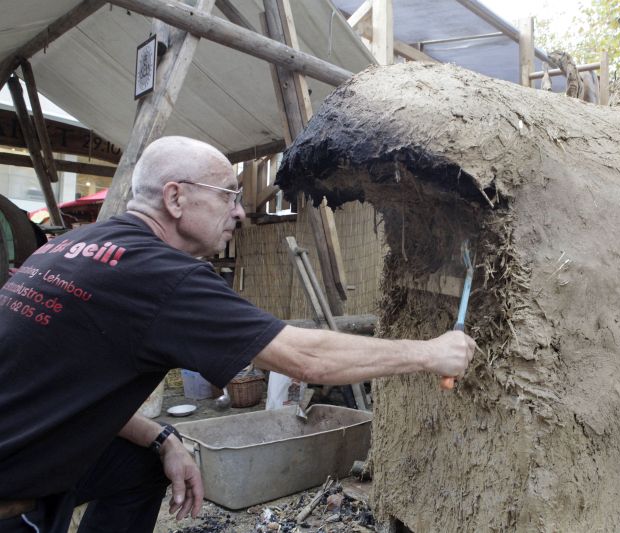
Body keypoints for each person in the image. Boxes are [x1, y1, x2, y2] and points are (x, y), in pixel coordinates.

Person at [0, 136, 475, 533]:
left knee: (143, 460)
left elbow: (73, 388)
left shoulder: (71, 246)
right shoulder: (162, 276)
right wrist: (432, 353)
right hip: (13, 491)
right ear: (175, 198)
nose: (240, 213)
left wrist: (164, 439)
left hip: (21, 448)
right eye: (228, 195)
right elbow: (304, 358)